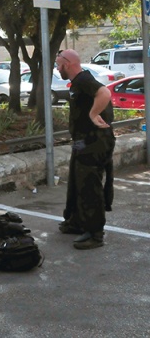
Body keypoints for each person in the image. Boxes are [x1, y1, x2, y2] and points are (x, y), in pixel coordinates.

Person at [55, 49, 115, 250]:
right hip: (82, 141)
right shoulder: (79, 82)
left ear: (67, 64)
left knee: (90, 186)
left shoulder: (83, 80)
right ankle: (77, 221)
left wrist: (93, 114)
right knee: (77, 181)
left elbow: (104, 92)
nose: (57, 68)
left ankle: (95, 234)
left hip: (94, 142)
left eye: (58, 65)